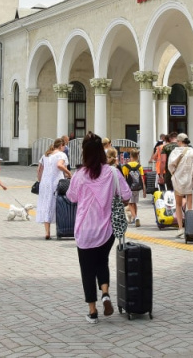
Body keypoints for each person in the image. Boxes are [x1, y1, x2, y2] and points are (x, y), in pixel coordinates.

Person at [65, 134, 132, 324]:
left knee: (87, 269)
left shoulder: (79, 175)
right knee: (102, 262)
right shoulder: (112, 172)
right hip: (107, 230)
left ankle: (93, 312)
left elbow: (71, 197)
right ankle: (105, 294)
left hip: (85, 230)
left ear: (85, 153)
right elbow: (126, 195)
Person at [35, 138, 72, 240]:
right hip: (56, 182)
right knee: (59, 204)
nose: (64, 148)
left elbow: (39, 170)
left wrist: (40, 181)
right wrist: (69, 173)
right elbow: (59, 165)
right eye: (64, 146)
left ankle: (47, 232)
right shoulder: (61, 155)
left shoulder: (45, 155)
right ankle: (60, 230)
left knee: (46, 204)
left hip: (45, 183)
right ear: (61, 146)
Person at [167, 133, 193, 236]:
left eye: (177, 141)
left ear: (180, 141)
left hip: (178, 181)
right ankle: (190, 228)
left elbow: (170, 167)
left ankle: (180, 228)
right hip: (190, 181)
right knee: (190, 206)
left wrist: (175, 173)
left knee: (178, 204)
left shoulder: (174, 152)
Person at [120, 149, 145, 227]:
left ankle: (135, 217)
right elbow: (142, 178)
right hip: (137, 187)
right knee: (134, 203)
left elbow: (123, 178)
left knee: (130, 203)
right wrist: (144, 189)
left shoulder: (126, 166)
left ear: (130, 156)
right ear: (137, 156)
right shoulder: (139, 166)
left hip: (129, 187)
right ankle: (135, 218)